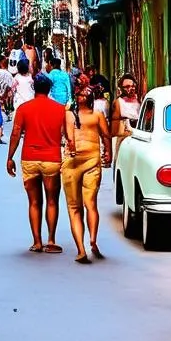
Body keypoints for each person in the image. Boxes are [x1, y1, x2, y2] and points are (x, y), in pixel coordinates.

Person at [6, 73, 65, 253]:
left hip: (29, 158)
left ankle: (37, 242)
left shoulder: (24, 109)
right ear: (49, 89)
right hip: (52, 160)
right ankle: (51, 240)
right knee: (52, 201)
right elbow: (65, 133)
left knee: (34, 202)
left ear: (34, 88)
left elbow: (16, 133)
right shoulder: (60, 109)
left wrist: (10, 157)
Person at [63, 85, 112, 263]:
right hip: (84, 161)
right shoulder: (87, 115)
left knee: (78, 207)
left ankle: (84, 247)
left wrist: (108, 153)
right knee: (88, 204)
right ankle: (87, 243)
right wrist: (108, 153)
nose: (82, 95)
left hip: (79, 162)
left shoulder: (78, 114)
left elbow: (106, 136)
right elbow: (105, 136)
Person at [111, 73, 141, 149]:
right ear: (121, 88)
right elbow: (114, 129)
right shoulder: (119, 102)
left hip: (140, 139)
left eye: (133, 86)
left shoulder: (140, 100)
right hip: (125, 141)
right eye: (127, 87)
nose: (131, 88)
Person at [0, 55, 14, 143]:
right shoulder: (9, 75)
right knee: (3, 114)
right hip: (5, 98)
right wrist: (5, 96)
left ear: (1, 64)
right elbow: (10, 87)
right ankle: (0, 134)